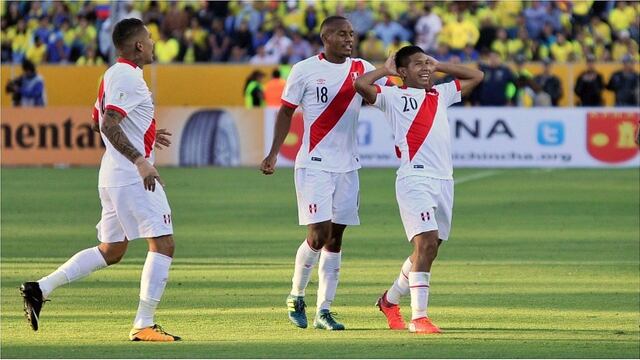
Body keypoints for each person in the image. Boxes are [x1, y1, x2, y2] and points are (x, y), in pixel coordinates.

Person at [19, 18, 180, 342]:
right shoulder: (126, 76)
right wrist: (139, 160)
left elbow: (97, 122)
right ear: (138, 45)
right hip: (130, 175)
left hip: (112, 173)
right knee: (163, 243)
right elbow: (108, 124)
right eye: (148, 38)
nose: (152, 43)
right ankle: (143, 323)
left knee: (113, 249)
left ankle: (40, 288)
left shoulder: (111, 74)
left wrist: (144, 133)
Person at [260, 16, 390, 331]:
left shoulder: (362, 67)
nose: (350, 39)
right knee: (318, 234)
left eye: (352, 34)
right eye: (342, 34)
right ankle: (295, 295)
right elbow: (286, 112)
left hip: (348, 165)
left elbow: (391, 98)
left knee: (335, 239)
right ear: (326, 37)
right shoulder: (304, 70)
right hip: (314, 163)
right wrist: (274, 152)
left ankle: (325, 310)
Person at [354, 46, 483, 334]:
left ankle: (389, 301)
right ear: (402, 72)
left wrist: (439, 65)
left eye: (427, 63)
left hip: (444, 181)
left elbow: (477, 75)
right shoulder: (392, 96)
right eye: (417, 65)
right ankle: (419, 317)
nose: (425, 68)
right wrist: (385, 70)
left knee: (429, 249)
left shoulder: (441, 94)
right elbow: (361, 84)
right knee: (425, 243)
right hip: (415, 179)